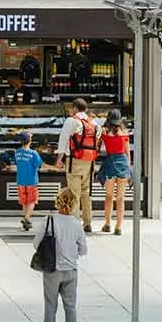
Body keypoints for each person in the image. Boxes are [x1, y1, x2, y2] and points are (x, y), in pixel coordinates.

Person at [32, 189, 88, 322]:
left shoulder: (49, 221)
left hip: (52, 270)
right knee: (70, 308)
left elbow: (36, 244)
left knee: (50, 307)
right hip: (71, 271)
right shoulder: (77, 224)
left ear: (58, 202)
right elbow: (83, 250)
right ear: (74, 204)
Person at [55, 98, 100, 231]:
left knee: (74, 192)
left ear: (75, 108)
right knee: (86, 192)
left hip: (75, 160)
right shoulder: (95, 123)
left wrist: (60, 158)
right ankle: (87, 223)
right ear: (85, 109)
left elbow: (63, 139)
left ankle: (74, 223)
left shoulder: (71, 121)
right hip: (90, 161)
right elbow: (97, 142)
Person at [97, 111, 131, 235]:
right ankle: (118, 227)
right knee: (121, 198)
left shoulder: (105, 133)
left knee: (109, 197)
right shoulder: (125, 134)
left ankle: (107, 224)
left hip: (110, 164)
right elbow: (127, 154)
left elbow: (98, 148)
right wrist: (128, 168)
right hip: (123, 165)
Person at [9, 135, 45, 231]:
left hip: (20, 180)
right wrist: (55, 167)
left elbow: (17, 164)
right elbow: (40, 165)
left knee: (24, 201)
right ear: (30, 141)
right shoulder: (33, 153)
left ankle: (26, 219)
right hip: (31, 181)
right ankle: (27, 218)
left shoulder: (17, 152)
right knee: (31, 201)